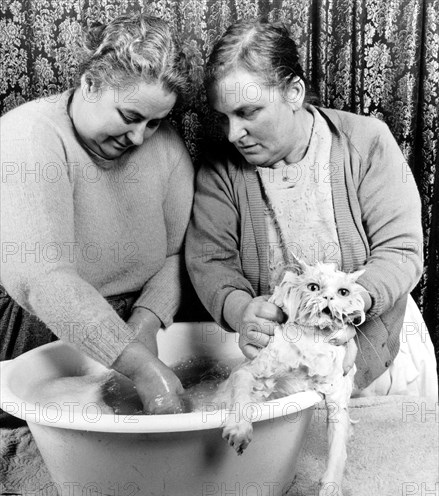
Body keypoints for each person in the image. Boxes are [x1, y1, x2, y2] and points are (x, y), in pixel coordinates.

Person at [185, 19, 437, 397]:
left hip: (379, 357)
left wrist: (350, 304)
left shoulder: (366, 143)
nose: (233, 133)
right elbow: (210, 261)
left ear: (294, 92)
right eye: (224, 117)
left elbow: (401, 251)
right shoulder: (220, 170)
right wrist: (239, 309)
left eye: (248, 112)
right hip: (285, 367)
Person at [1, 13, 194, 416]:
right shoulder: (26, 137)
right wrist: (140, 367)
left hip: (142, 324)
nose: (139, 137)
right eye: (129, 116)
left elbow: (177, 254)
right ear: (90, 84)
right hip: (42, 326)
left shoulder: (167, 148)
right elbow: (43, 278)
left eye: (155, 123)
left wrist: (146, 322)